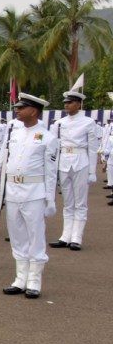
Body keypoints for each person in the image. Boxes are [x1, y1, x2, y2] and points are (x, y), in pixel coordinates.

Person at [0, 93, 59, 299]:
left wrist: (50, 199)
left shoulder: (48, 138)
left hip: (34, 193)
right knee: (17, 235)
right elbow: (1, 163)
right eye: (17, 107)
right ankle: (20, 279)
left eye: (22, 108)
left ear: (34, 111)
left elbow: (50, 172)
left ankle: (34, 281)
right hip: (12, 191)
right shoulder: (13, 133)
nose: (17, 110)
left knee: (35, 236)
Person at [49, 90, 99, 250]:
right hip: (64, 161)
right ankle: (65, 236)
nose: (66, 105)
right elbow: (54, 147)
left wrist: (92, 171)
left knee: (80, 203)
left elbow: (92, 148)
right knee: (68, 202)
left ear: (78, 104)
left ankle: (76, 238)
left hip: (81, 161)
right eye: (65, 103)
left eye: (70, 102)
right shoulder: (59, 123)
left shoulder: (88, 122)